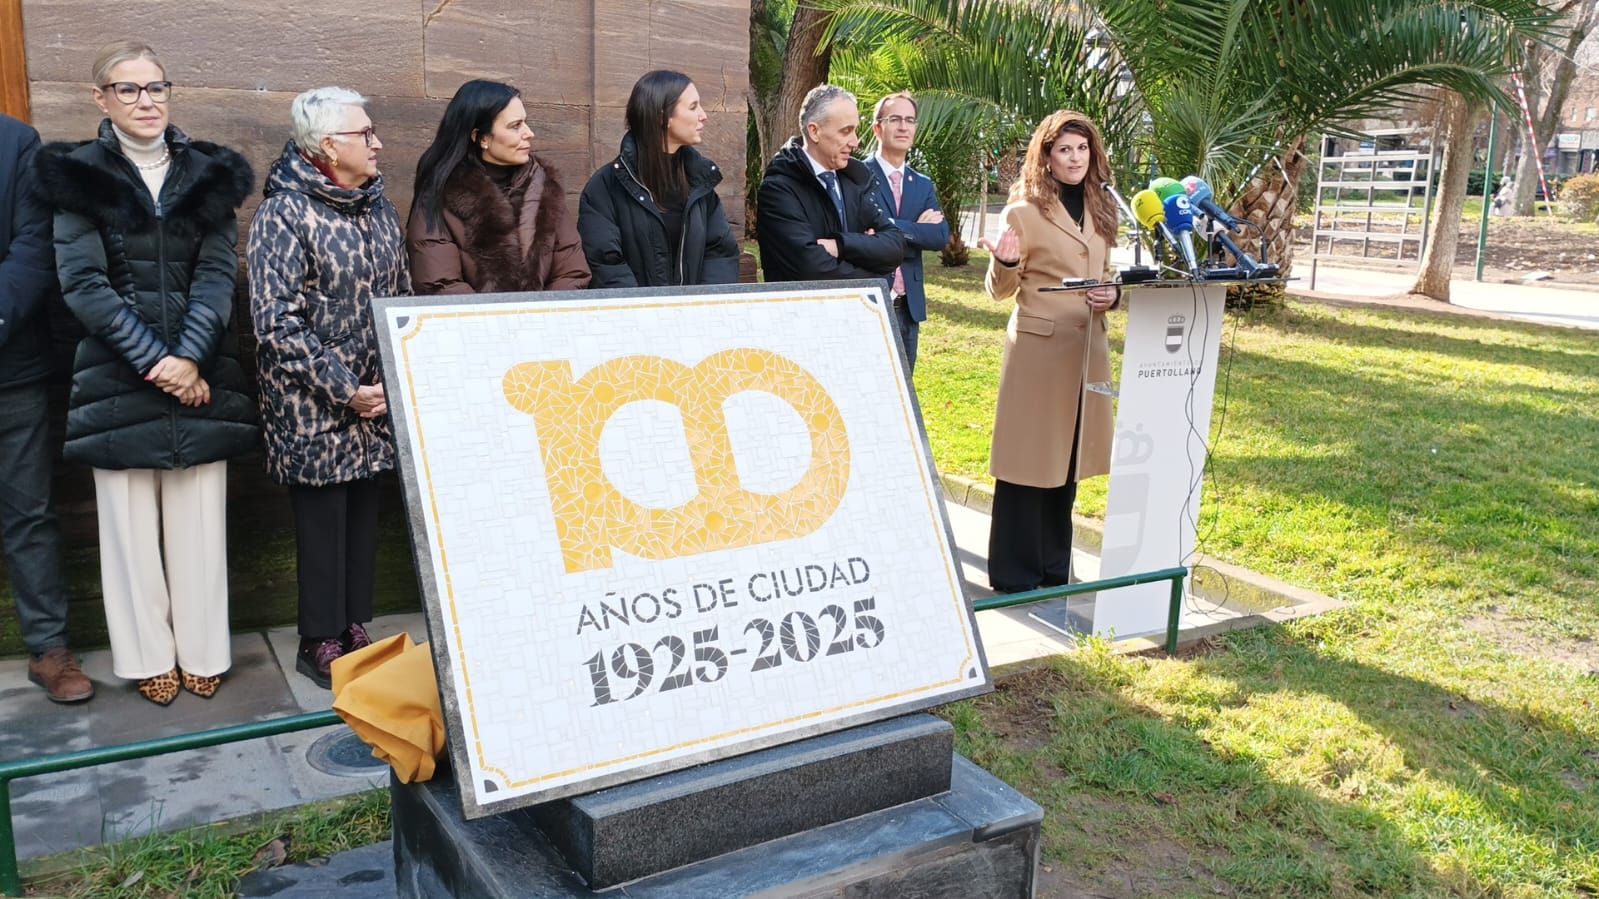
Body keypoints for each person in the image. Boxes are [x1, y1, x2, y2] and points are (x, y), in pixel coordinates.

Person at [33, 40, 257, 704]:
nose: (146, 101)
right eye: (128, 90)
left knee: (198, 521)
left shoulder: (209, 174)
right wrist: (158, 361)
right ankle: (148, 655)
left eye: (156, 86)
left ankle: (203, 650)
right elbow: (83, 283)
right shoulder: (78, 175)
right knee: (128, 529)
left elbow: (217, 274)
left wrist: (189, 356)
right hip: (115, 370)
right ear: (100, 98)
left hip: (202, 368)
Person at [247, 87, 411, 689]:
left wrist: (391, 381)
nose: (377, 143)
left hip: (375, 401)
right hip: (313, 407)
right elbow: (275, 322)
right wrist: (346, 389)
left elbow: (401, 299)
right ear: (327, 146)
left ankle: (352, 624)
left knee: (363, 515)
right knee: (323, 522)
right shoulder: (284, 214)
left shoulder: (377, 207)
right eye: (365, 134)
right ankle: (318, 638)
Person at [975, 111, 1120, 594]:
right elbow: (998, 292)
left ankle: (1055, 570)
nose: (1075, 158)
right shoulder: (1022, 212)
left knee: (1067, 462)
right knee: (1027, 461)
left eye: (1082, 149)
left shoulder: (1104, 208)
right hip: (1039, 353)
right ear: (1047, 156)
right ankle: (1016, 574)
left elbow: (1108, 275)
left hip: (1086, 351)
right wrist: (1005, 261)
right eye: (1065, 150)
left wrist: (1114, 296)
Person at [1, 114, 92, 704]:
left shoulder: (15, 142)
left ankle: (49, 650)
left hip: (11, 370)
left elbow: (33, 246)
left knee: (29, 515)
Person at [408, 80, 590, 294]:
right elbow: (440, 284)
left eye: (525, 122)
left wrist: (540, 318)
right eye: (515, 126)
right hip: (473, 324)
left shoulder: (544, 187)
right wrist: (501, 322)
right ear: (481, 138)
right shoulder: (439, 195)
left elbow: (571, 271)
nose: (529, 133)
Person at [577, 70, 740, 287]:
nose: (703, 115)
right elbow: (606, 264)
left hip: (695, 315)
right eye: (693, 107)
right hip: (634, 316)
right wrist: (648, 313)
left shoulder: (701, 182)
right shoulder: (605, 187)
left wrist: (702, 308)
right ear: (662, 116)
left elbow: (720, 253)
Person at [756, 84, 904, 284]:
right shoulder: (779, 190)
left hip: (856, 311)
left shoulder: (855, 180)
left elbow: (894, 246)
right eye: (846, 131)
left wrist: (840, 245)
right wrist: (874, 270)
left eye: (855, 130)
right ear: (815, 131)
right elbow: (811, 270)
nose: (855, 142)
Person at [862, 91, 950, 376]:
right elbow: (863, 235)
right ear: (878, 127)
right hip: (870, 302)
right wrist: (916, 230)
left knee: (903, 392)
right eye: (895, 119)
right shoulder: (858, 176)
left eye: (910, 120)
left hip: (907, 309)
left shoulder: (922, 184)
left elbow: (938, 237)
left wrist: (889, 226)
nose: (903, 126)